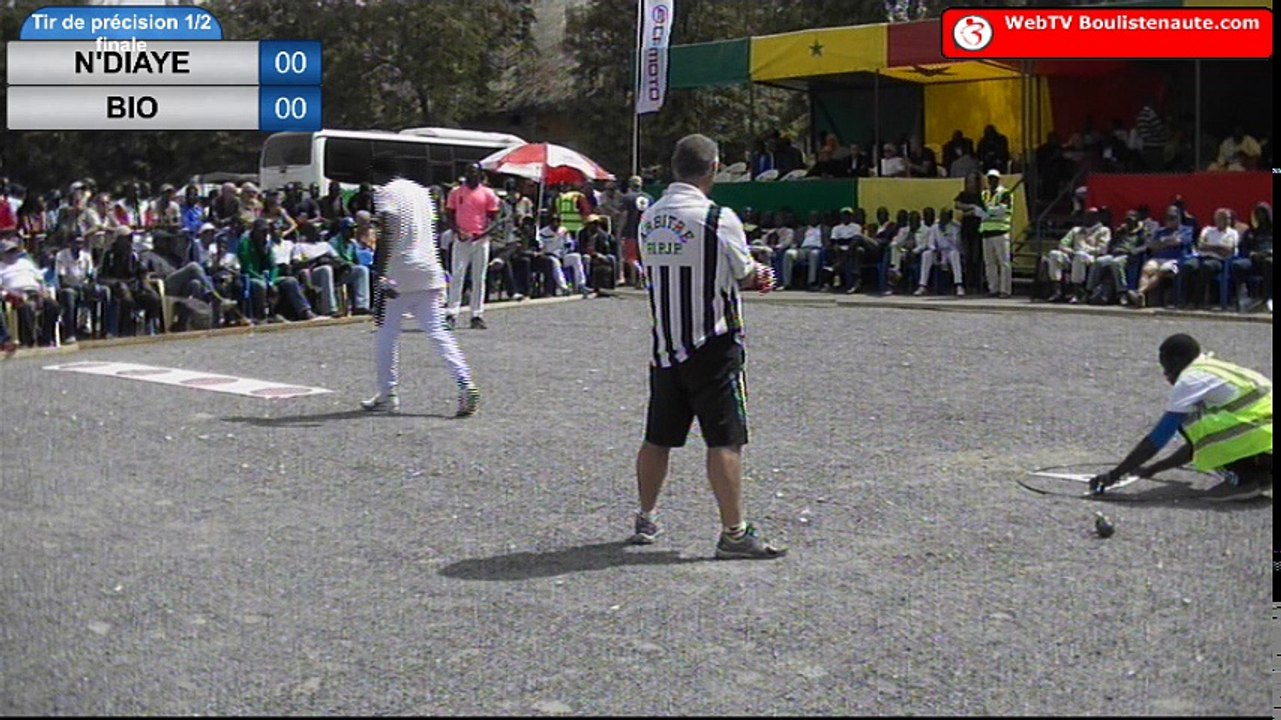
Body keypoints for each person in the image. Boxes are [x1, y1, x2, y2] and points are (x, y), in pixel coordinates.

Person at [630, 133, 786, 560]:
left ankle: (646, 516)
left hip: (665, 344)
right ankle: (734, 532)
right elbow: (743, 270)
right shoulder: (718, 217)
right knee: (724, 439)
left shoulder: (650, 217)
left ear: (674, 167)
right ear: (714, 168)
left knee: (658, 437)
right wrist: (760, 275)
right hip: (712, 342)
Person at [1091, 334, 1272, 502]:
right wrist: (1155, 468)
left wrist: (1114, 475)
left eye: (1166, 366)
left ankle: (1244, 480)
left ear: (1176, 360)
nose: (1165, 373)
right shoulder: (1213, 367)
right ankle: (1261, 475)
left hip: (1263, 440)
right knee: (1202, 420)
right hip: (1265, 442)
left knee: (1188, 419)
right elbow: (1199, 445)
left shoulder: (1189, 380)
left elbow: (1158, 438)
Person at [361, 174, 478, 418]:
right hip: (429, 269)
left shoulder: (385, 193)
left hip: (400, 271)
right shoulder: (423, 194)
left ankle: (387, 394)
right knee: (438, 333)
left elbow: (388, 232)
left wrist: (379, 272)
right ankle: (465, 383)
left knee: (386, 335)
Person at [444, 164, 501, 330]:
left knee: (479, 278)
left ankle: (476, 314)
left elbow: (494, 218)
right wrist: (458, 231)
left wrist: (482, 233)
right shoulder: (455, 193)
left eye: (475, 172)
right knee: (457, 275)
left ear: (480, 175)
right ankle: (451, 313)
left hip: (481, 240)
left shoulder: (488, 194)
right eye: (469, 172)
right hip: (461, 239)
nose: (471, 175)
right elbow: (449, 215)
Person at [979, 169, 1013, 298]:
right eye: (989, 179)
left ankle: (1005, 290)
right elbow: (979, 211)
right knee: (989, 263)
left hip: (1001, 231)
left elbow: (1002, 211)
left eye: (994, 179)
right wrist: (989, 212)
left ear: (998, 180)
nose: (991, 181)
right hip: (986, 232)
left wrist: (986, 212)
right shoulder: (984, 194)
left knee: (1004, 262)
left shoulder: (1005, 193)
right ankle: (993, 289)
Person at [916, 208, 964, 295]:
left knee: (955, 255)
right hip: (938, 252)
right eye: (942, 216)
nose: (943, 219)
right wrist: (935, 250)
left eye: (946, 217)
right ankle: (922, 285)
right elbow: (930, 242)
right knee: (926, 254)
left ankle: (958, 285)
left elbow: (957, 244)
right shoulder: (935, 227)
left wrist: (947, 234)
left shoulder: (955, 227)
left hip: (950, 251)